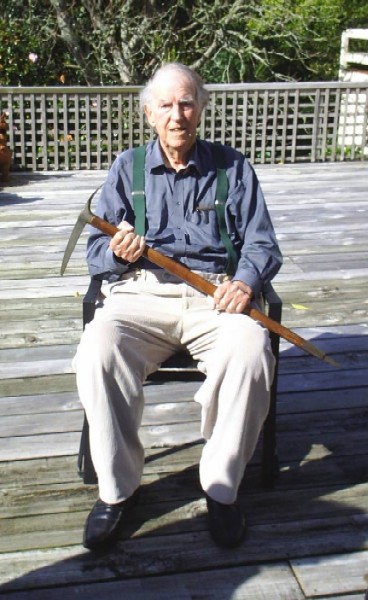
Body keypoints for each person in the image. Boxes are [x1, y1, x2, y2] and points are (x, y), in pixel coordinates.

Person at [74, 62, 282, 551]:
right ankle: (117, 491)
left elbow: (263, 244)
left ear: (201, 109)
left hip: (216, 295)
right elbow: (94, 254)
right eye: (165, 105)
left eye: (187, 102)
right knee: (98, 349)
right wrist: (116, 251)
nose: (177, 115)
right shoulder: (127, 169)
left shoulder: (233, 167)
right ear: (149, 113)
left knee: (252, 352)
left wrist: (246, 283)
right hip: (141, 292)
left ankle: (221, 488)